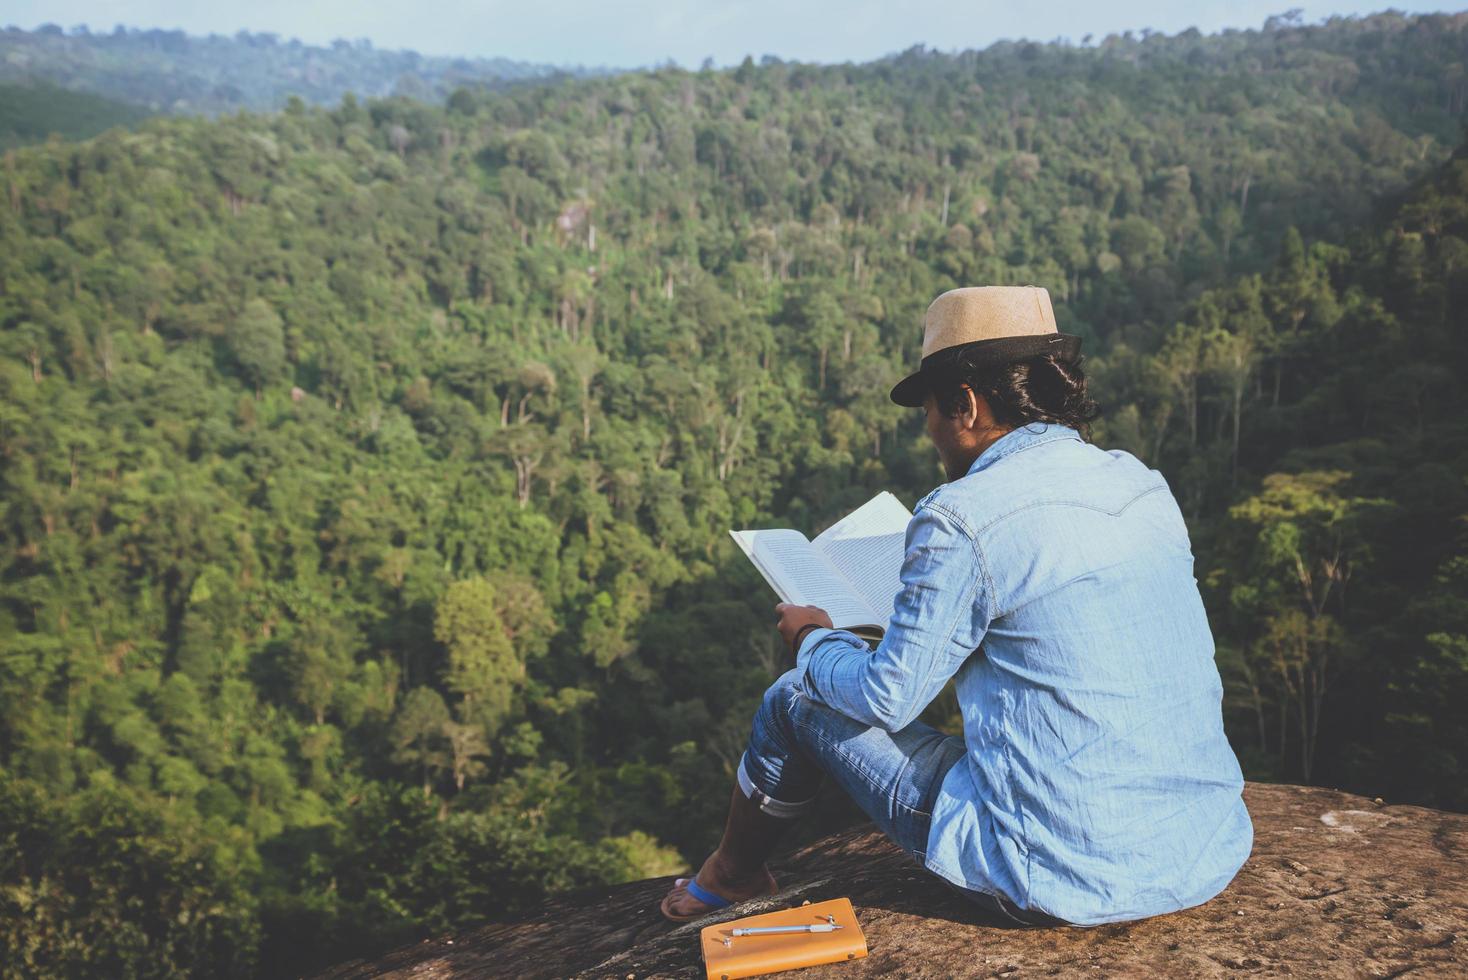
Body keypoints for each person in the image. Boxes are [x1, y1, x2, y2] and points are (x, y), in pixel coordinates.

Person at [659, 285, 1253, 927]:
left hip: (1053, 875)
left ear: (965, 404)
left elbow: (888, 699)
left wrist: (815, 639)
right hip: (1200, 849)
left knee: (795, 699)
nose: (933, 435)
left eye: (932, 414)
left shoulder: (961, 518)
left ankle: (730, 876)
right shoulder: (1139, 481)